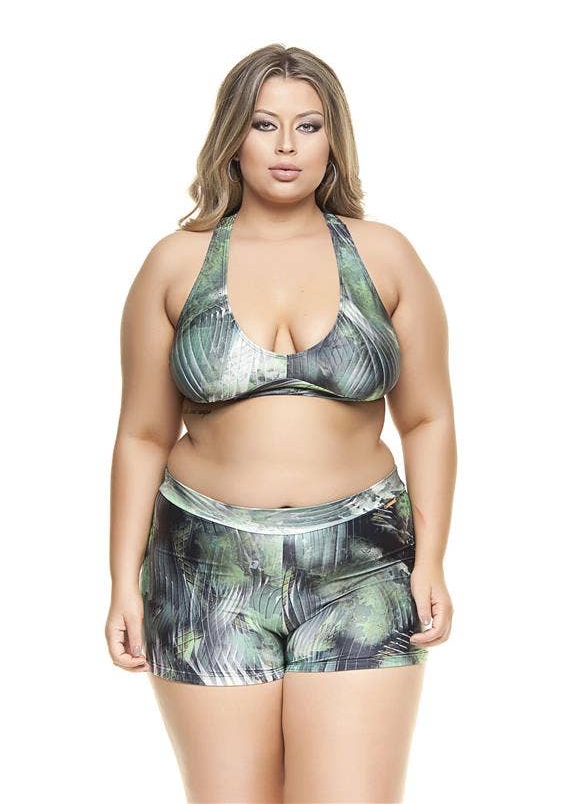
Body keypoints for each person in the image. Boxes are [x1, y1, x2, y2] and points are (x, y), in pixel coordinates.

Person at [105, 43, 456, 804]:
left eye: (308, 125)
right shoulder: (175, 263)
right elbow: (141, 434)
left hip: (361, 566)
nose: (287, 145)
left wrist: (429, 561)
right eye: (265, 124)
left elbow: (427, 418)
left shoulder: (386, 256)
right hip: (204, 568)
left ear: (334, 140)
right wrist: (121, 582)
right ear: (233, 137)